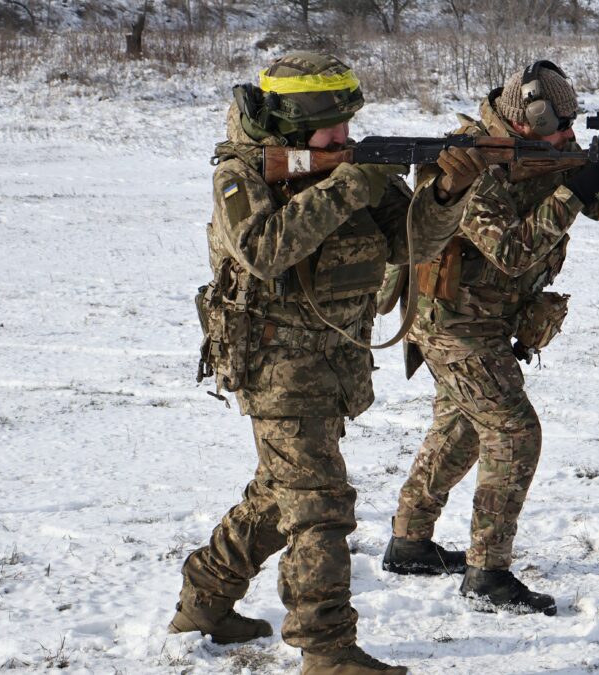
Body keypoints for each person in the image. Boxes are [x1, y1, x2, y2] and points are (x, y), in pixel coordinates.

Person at [167, 52, 483, 675]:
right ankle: (327, 649)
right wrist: (349, 184)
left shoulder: (351, 167)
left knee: (277, 497)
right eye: (329, 129)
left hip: (331, 363)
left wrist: (447, 192)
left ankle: (204, 601)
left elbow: (411, 241)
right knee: (319, 503)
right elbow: (262, 249)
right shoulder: (241, 174)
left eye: (346, 125)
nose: (343, 137)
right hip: (275, 366)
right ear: (290, 127)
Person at [382, 61, 599, 615]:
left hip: (485, 321)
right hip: (452, 324)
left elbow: (598, 201)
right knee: (514, 432)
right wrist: (576, 187)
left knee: (460, 432)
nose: (570, 137)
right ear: (527, 121)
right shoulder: (470, 163)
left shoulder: (538, 154)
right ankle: (487, 574)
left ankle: (410, 542)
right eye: (560, 129)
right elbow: (512, 249)